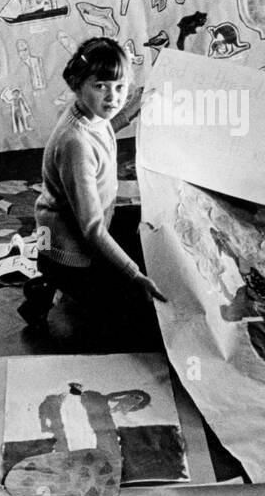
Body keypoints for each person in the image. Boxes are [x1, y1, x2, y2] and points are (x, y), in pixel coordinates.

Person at [20, 37, 167, 338]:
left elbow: (101, 132)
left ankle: (52, 280)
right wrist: (134, 275)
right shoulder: (75, 142)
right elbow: (92, 230)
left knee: (151, 223)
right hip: (68, 251)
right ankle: (49, 284)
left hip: (69, 227)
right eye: (100, 86)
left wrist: (130, 112)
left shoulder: (88, 115)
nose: (113, 97)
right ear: (77, 84)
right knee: (133, 318)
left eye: (120, 87)